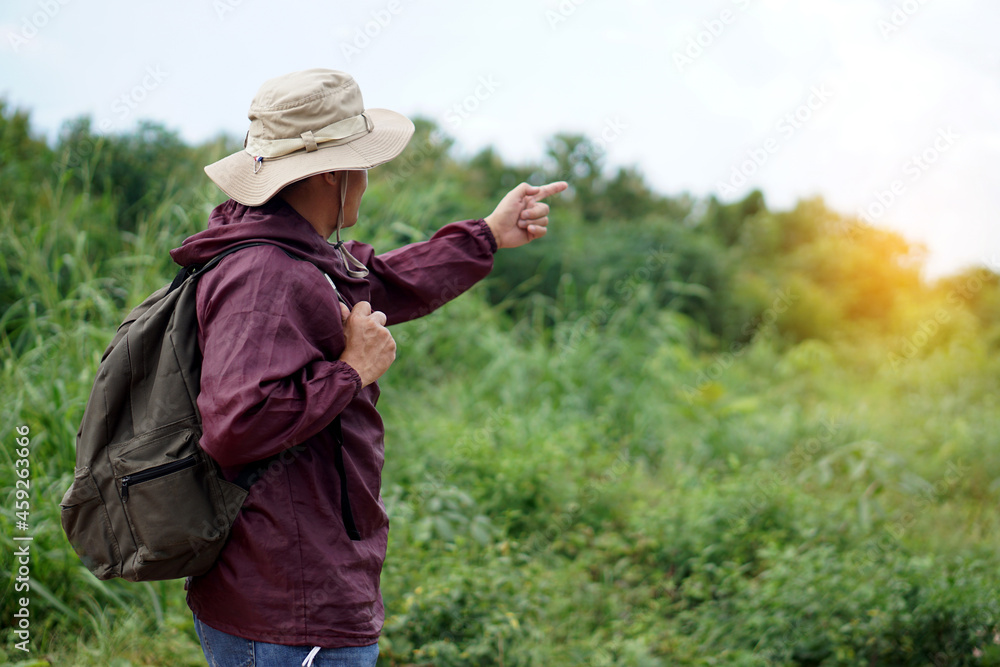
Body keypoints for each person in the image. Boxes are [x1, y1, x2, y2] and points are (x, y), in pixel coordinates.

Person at [170, 68, 566, 667]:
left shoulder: (296, 253)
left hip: (300, 588)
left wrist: (486, 235)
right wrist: (352, 370)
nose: (367, 177)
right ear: (330, 172)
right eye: (362, 162)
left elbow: (378, 280)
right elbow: (237, 425)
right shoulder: (266, 273)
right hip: (289, 605)